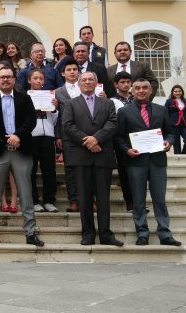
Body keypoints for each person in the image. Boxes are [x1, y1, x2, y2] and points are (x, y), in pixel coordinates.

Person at [0, 66, 44, 247]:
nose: (6, 80)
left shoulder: (25, 99)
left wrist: (18, 136)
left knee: (26, 193)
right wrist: (6, 139)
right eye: (2, 77)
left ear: (14, 79)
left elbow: (30, 120)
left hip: (21, 150)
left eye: (9, 77)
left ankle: (30, 232)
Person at [115, 79, 181, 246]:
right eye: (137, 88)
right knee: (138, 200)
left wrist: (169, 142)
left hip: (158, 160)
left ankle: (165, 233)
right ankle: (142, 233)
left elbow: (170, 132)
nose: (141, 91)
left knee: (160, 199)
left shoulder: (161, 110)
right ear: (132, 91)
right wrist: (126, 150)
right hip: (135, 162)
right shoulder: (124, 111)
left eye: (145, 88)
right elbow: (118, 137)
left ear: (151, 90)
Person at [62, 71, 123, 247]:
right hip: (81, 156)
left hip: (102, 155)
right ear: (79, 83)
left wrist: (97, 139)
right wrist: (88, 141)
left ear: (97, 83)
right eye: (84, 80)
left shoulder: (108, 103)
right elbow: (68, 126)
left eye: (91, 79)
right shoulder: (70, 104)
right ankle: (88, 233)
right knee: (84, 198)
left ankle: (106, 234)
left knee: (103, 198)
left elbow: (112, 123)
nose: (87, 82)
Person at [27, 69, 60, 213]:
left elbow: (53, 121)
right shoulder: (25, 96)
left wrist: (54, 108)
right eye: (35, 78)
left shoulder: (49, 96)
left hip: (48, 135)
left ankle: (49, 200)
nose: (38, 81)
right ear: (29, 81)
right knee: (31, 170)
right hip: (31, 136)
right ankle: (34, 201)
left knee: (49, 170)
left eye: (41, 78)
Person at [54, 59, 81, 212]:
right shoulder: (57, 92)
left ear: (78, 72)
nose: (72, 72)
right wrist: (58, 136)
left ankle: (90, 200)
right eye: (68, 70)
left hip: (85, 134)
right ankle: (74, 200)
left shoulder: (86, 88)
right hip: (66, 135)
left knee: (87, 168)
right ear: (63, 73)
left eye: (74, 69)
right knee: (69, 169)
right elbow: (57, 116)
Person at [110, 71, 135, 211]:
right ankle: (129, 201)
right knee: (124, 172)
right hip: (121, 140)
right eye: (122, 82)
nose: (125, 85)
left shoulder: (137, 99)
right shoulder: (111, 100)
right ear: (116, 84)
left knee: (138, 172)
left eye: (128, 82)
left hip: (138, 139)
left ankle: (139, 201)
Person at [165, 85, 186, 154]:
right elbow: (165, 114)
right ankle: (179, 159)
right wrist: (166, 125)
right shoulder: (169, 101)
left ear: (182, 92)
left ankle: (184, 155)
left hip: (185, 125)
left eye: (179, 91)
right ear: (172, 92)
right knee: (176, 145)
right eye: (175, 91)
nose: (177, 93)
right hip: (173, 126)